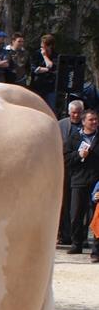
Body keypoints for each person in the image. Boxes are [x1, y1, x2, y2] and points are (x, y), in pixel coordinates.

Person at [64, 110, 98, 256]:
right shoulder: (74, 138)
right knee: (76, 215)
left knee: (95, 216)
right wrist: (78, 155)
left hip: (96, 182)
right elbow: (66, 159)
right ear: (83, 122)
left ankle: (96, 250)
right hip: (79, 181)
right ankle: (77, 243)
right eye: (91, 120)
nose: (95, 122)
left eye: (96, 119)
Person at [60, 100, 86, 244]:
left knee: (79, 206)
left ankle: (80, 236)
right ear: (69, 112)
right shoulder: (61, 125)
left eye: (79, 112)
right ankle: (65, 235)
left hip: (83, 170)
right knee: (65, 202)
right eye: (73, 112)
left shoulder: (88, 125)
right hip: (65, 166)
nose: (76, 115)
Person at [30, 34, 58, 110]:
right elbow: (34, 69)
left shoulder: (56, 55)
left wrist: (45, 56)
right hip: (37, 86)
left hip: (50, 87)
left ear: (50, 46)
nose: (42, 47)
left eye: (44, 45)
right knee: (36, 108)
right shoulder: (36, 54)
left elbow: (51, 66)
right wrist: (48, 70)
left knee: (50, 108)